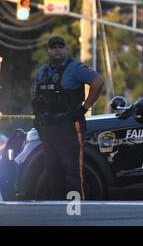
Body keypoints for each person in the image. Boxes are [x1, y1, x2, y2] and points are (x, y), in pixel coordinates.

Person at [31, 36, 104, 200]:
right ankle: (57, 211)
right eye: (53, 47)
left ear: (66, 49)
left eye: (60, 46)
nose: (57, 49)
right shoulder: (42, 72)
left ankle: (75, 212)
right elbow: (36, 97)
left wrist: (85, 107)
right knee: (52, 171)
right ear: (47, 51)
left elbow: (98, 82)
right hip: (49, 128)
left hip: (69, 126)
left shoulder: (75, 68)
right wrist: (37, 120)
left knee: (72, 170)